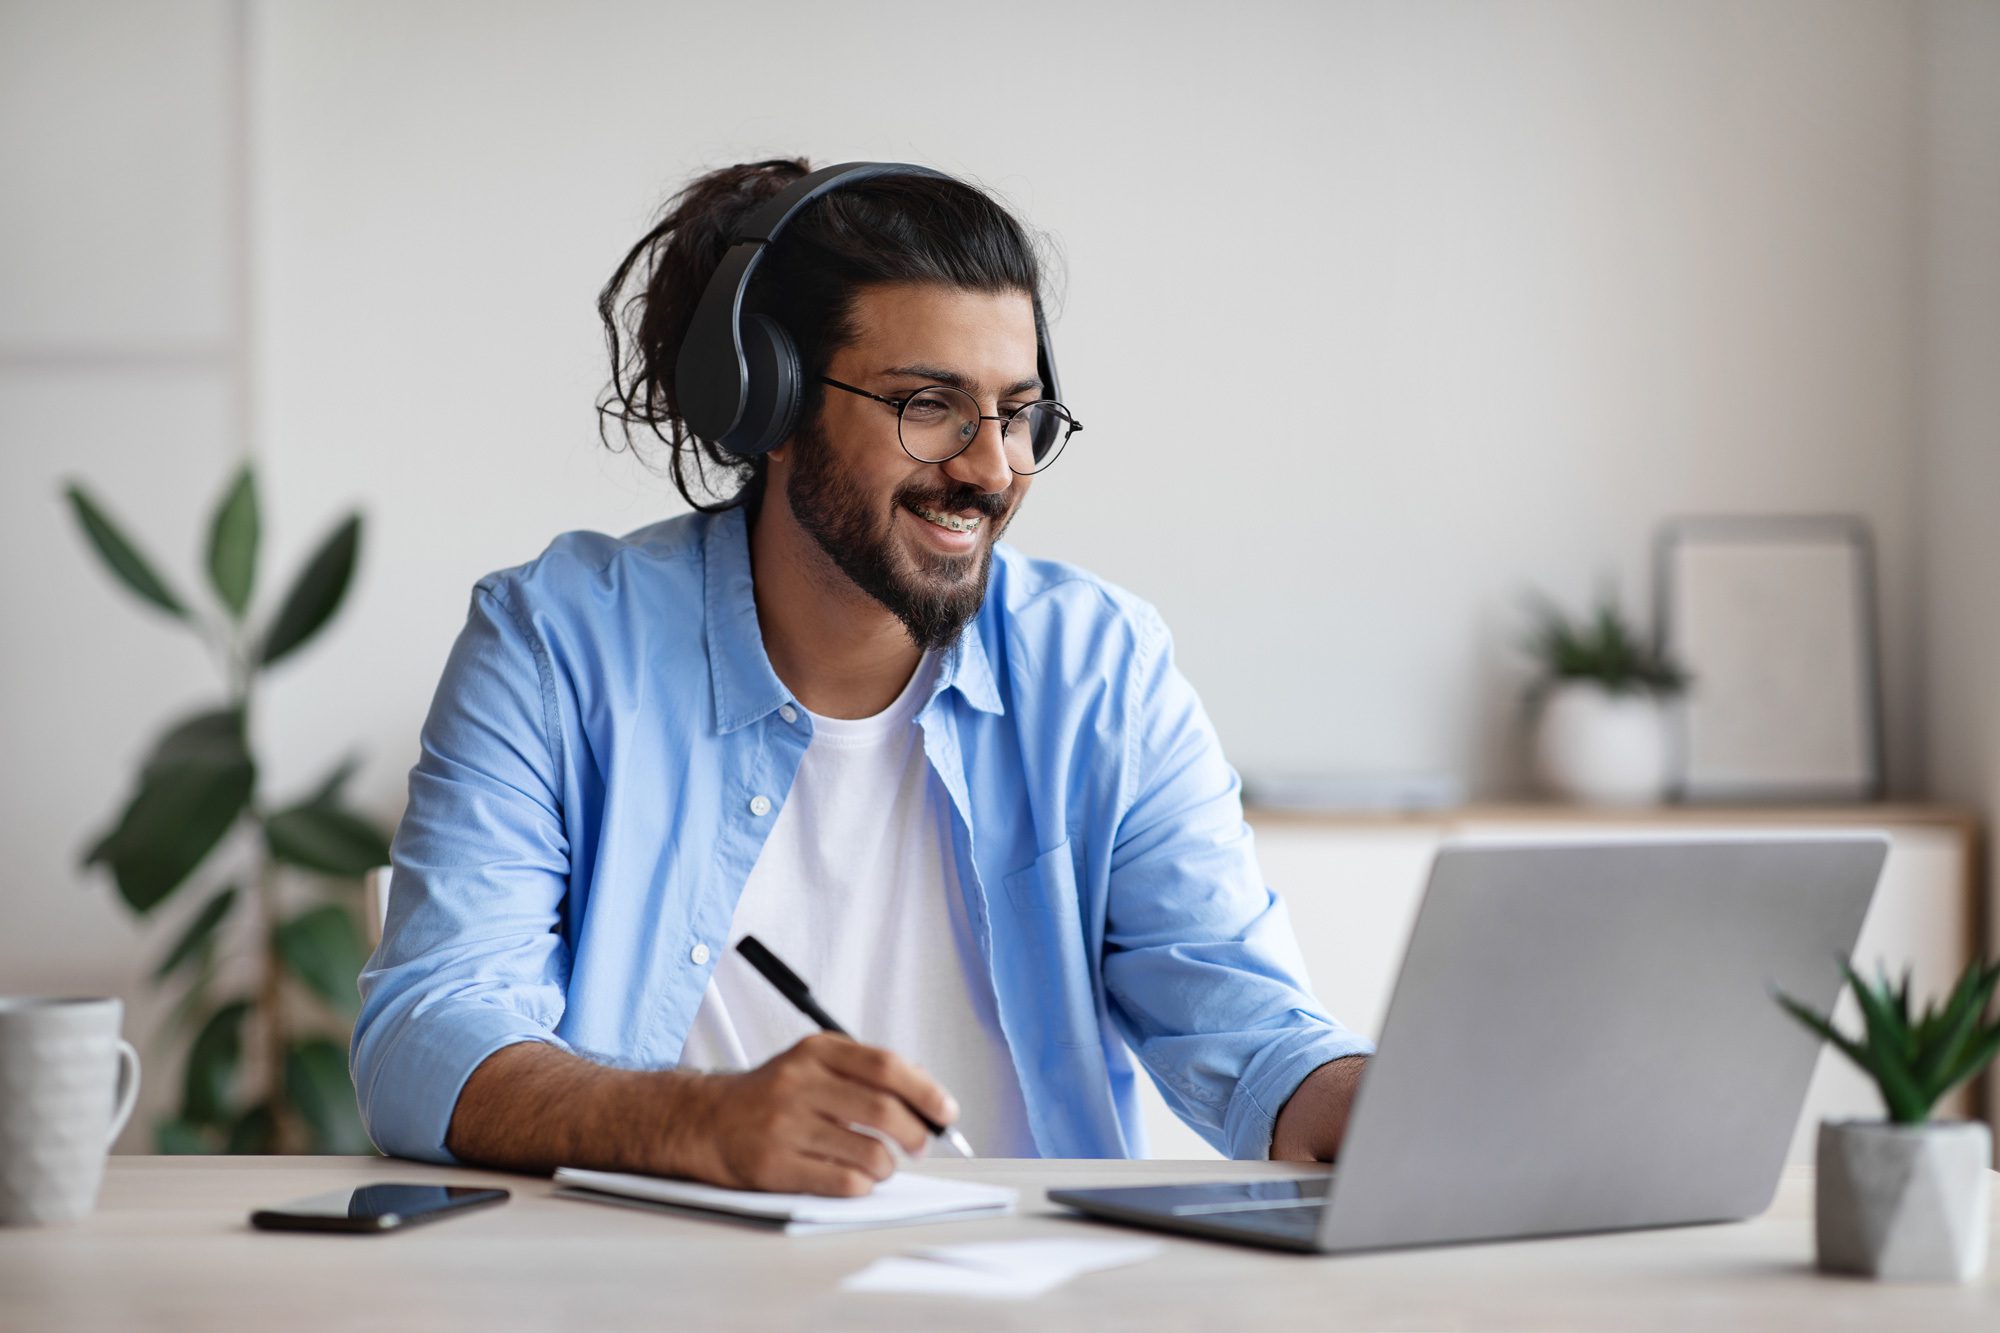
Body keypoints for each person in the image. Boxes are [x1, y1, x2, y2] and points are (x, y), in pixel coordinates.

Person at [351, 158, 1371, 1196]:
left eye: (1017, 415)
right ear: (770, 406)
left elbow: (1241, 1016)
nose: (990, 468)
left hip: (1028, 1292)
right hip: (652, 1289)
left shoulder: (1100, 665)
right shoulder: (554, 646)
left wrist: (1345, 1092)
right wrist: (697, 1122)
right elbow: (424, 1040)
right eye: (929, 405)